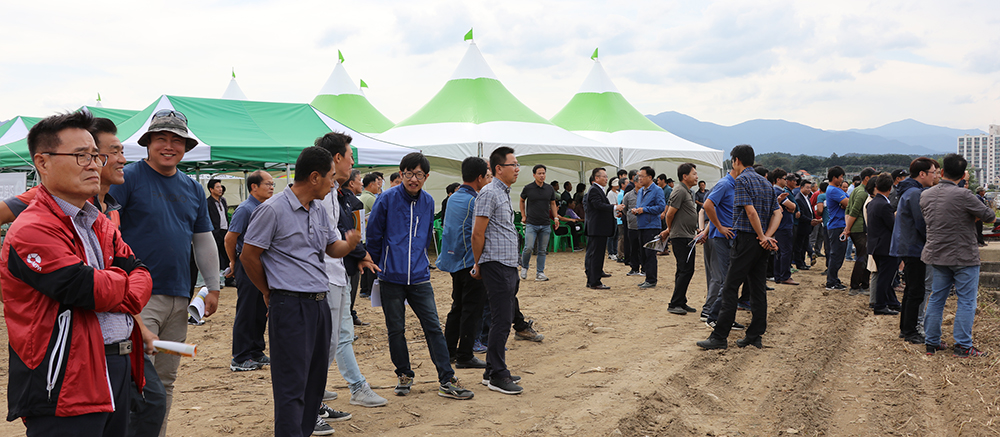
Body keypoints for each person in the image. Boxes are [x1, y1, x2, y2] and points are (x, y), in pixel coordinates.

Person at [2, 111, 152, 435]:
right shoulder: (32, 228)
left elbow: (141, 274)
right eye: (81, 156)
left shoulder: (95, 219)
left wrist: (117, 282)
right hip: (65, 380)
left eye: (96, 156)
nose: (94, 164)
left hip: (116, 364)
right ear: (42, 162)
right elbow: (85, 288)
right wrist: (121, 282)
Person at [109, 110, 220, 437]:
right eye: (162, 139)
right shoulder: (127, 178)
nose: (169, 146)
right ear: (148, 143)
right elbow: (108, 234)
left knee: (166, 380)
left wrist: (213, 287)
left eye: (177, 140)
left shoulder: (192, 188)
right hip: (137, 300)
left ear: (186, 146)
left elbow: (203, 240)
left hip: (179, 299)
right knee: (136, 379)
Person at [239, 146, 358, 436]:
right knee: (292, 385)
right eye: (331, 177)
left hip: (319, 304)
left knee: (314, 383)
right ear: (315, 177)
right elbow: (248, 256)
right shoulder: (273, 209)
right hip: (289, 305)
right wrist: (268, 292)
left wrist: (352, 243)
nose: (334, 183)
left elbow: (333, 248)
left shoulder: (318, 209)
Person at [367, 152, 474, 401]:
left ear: (426, 177)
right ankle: (404, 374)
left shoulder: (427, 201)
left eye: (418, 175)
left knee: (433, 327)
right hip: (390, 276)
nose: (413, 179)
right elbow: (373, 235)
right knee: (396, 329)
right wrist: (376, 264)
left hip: (419, 277)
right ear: (401, 173)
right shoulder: (386, 199)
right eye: (408, 174)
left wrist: (422, 261)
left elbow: (426, 235)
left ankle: (446, 378)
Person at [697, 144, 780, 350]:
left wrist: (761, 235)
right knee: (757, 289)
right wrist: (767, 237)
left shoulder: (741, 180)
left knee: (731, 287)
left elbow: (750, 212)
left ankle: (719, 336)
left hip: (745, 240)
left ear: (735, 160)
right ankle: (754, 335)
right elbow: (777, 213)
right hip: (761, 244)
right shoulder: (765, 182)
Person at [921, 154, 995, 357]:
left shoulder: (926, 194)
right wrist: (972, 215)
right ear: (963, 175)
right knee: (966, 301)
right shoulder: (965, 195)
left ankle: (932, 341)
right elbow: (990, 217)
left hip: (936, 253)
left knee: (937, 298)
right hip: (963, 255)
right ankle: (963, 345)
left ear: (942, 172)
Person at [471, 146, 527, 395]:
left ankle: (491, 369)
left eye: (517, 165)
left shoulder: (503, 192)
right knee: (502, 320)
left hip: (506, 265)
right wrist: (478, 263)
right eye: (513, 164)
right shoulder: (489, 193)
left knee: (502, 317)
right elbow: (477, 233)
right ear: (498, 168)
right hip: (495, 265)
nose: (517, 169)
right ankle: (497, 375)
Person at [438, 157, 491, 370]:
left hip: (453, 260)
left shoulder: (454, 197)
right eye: (486, 176)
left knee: (457, 307)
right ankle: (465, 355)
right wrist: (478, 263)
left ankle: (449, 351)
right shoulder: (475, 200)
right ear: (479, 177)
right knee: (472, 310)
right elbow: (478, 235)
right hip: (469, 262)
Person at [225, 171, 274, 372]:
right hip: (247, 263)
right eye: (268, 184)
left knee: (260, 309)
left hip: (261, 264)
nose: (272, 187)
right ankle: (240, 357)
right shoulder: (245, 209)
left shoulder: (263, 207)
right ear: (254, 187)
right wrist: (234, 261)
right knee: (246, 310)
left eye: (272, 184)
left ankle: (256, 351)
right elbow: (230, 238)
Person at [891, 157, 940, 345]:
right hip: (913, 247)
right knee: (916, 291)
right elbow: (922, 223)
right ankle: (910, 331)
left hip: (909, 245)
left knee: (912, 289)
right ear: (922, 174)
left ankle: (906, 328)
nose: (934, 176)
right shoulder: (915, 193)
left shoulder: (910, 190)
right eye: (933, 172)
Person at [662, 163, 700, 312]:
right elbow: (670, 214)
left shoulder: (687, 191)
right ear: (685, 176)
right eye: (694, 174)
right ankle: (674, 304)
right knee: (685, 270)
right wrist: (670, 230)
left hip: (688, 235)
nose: (697, 176)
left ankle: (681, 300)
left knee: (684, 269)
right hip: (681, 236)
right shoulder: (679, 191)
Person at [866, 172, 901, 316]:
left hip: (875, 245)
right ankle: (880, 305)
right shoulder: (884, 205)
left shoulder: (872, 202)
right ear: (891, 188)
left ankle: (892, 302)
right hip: (886, 246)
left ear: (876, 186)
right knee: (885, 278)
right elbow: (892, 226)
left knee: (885, 275)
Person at [519, 164, 560, 281]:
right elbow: (522, 200)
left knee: (542, 250)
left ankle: (540, 273)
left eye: (543, 173)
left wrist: (556, 218)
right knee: (528, 247)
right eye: (539, 173)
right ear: (534, 175)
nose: (542, 176)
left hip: (546, 223)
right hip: (531, 223)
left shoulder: (549, 189)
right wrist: (523, 215)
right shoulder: (528, 188)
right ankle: (524, 266)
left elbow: (552, 203)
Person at [584, 168, 620, 289]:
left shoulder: (598, 189)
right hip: (597, 228)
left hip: (599, 228)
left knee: (597, 255)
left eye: (606, 176)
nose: (606, 179)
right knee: (596, 255)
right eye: (604, 177)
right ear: (596, 178)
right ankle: (594, 282)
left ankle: (593, 279)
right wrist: (614, 207)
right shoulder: (594, 190)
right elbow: (598, 205)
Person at [844, 168, 875, 295]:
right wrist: (848, 229)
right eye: (874, 177)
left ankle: (862, 284)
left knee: (864, 256)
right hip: (860, 228)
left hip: (856, 228)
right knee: (863, 257)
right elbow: (854, 212)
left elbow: (848, 210)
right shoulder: (863, 193)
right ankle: (857, 286)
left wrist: (848, 227)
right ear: (867, 178)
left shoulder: (857, 190)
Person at [633, 167, 665, 289]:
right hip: (641, 225)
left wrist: (644, 210)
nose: (639, 179)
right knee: (643, 253)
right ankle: (647, 277)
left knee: (650, 253)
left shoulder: (657, 190)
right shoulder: (641, 191)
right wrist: (636, 210)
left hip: (652, 226)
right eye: (638, 176)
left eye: (642, 176)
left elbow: (661, 207)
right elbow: (640, 205)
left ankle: (652, 280)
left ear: (650, 177)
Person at [824, 166, 850, 290]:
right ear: (834, 178)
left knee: (839, 254)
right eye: (841, 177)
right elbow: (849, 204)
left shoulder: (836, 189)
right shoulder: (834, 190)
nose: (842, 179)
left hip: (838, 225)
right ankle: (831, 282)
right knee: (836, 255)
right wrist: (844, 203)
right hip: (837, 226)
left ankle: (834, 279)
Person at [793, 180, 821, 271]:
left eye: (810, 187)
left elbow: (810, 211)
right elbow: (801, 215)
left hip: (807, 226)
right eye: (807, 187)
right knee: (799, 246)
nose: (809, 189)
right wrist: (810, 221)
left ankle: (803, 262)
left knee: (804, 245)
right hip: (802, 226)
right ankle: (799, 263)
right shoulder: (798, 198)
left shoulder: (807, 197)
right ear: (801, 187)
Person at [206, 178, 230, 282]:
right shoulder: (208, 203)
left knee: (228, 256)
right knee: (214, 258)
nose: (220, 189)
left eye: (220, 186)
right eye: (217, 187)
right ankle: (215, 281)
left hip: (225, 232)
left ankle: (229, 278)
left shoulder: (223, 200)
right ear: (211, 189)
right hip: (215, 233)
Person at [607, 178, 621, 260]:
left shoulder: (618, 193)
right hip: (613, 216)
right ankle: (610, 252)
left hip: (618, 216)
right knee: (611, 235)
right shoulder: (610, 193)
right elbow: (612, 205)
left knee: (616, 235)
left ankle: (615, 251)